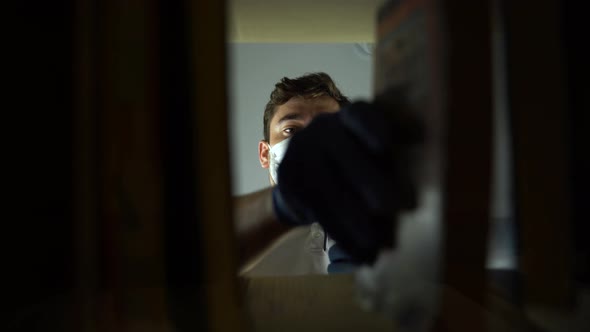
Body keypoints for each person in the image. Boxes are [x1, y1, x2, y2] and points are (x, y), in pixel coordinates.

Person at [234, 72, 421, 276]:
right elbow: (204, 240)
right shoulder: (246, 240)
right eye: (291, 130)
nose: (309, 142)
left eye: (323, 127)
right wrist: (283, 203)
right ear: (264, 153)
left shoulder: (388, 225)